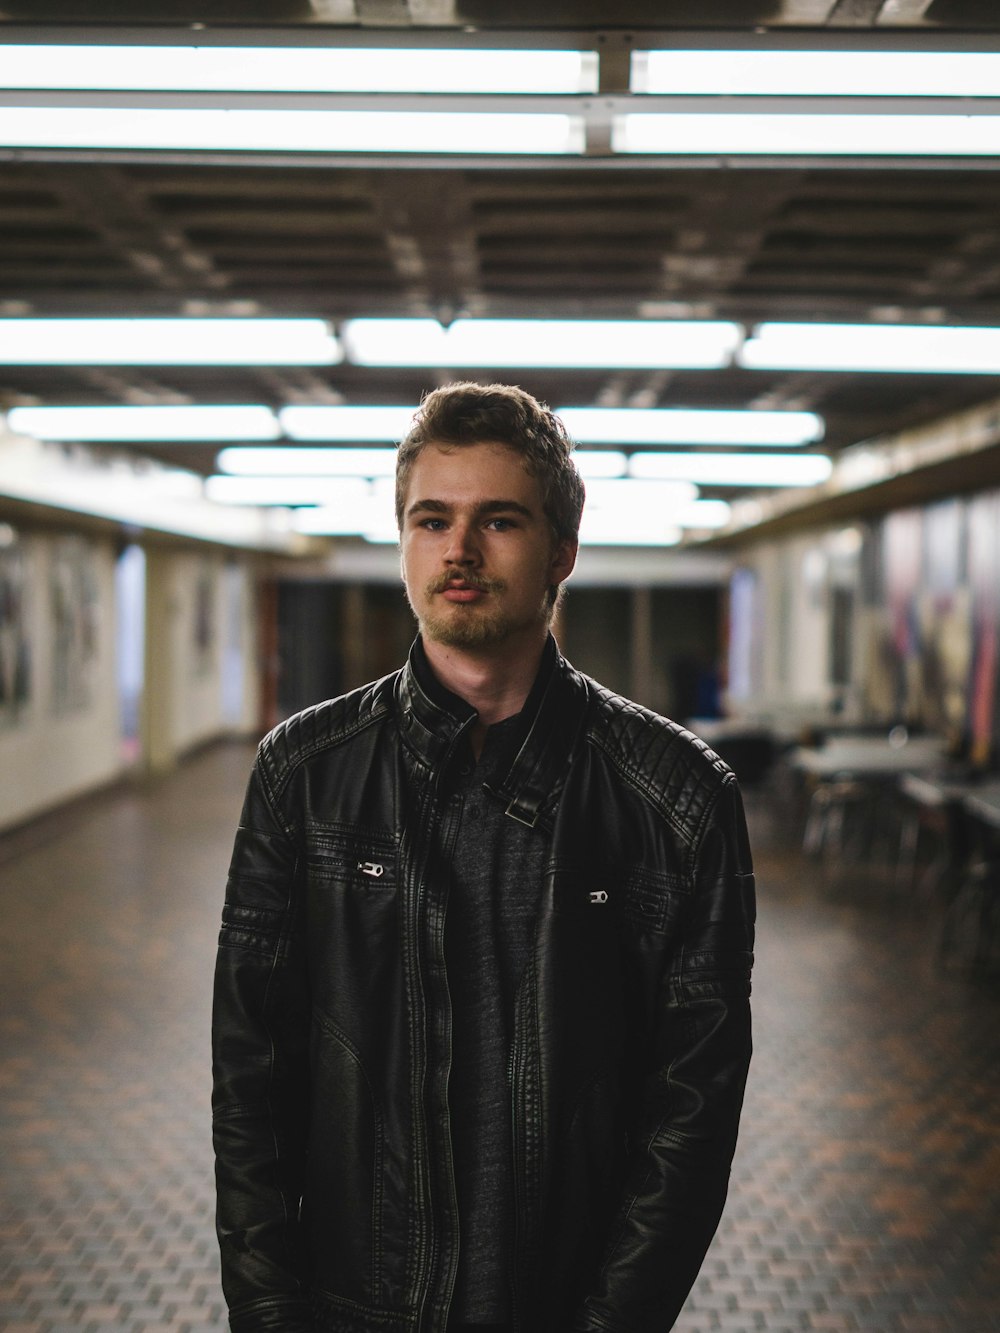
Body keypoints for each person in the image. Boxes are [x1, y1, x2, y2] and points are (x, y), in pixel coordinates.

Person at [212, 382, 756, 1333]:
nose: (458, 550)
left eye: (497, 520)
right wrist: (269, 1314)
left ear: (563, 551)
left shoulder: (676, 802)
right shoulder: (302, 775)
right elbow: (247, 1079)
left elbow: (692, 1112)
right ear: (404, 541)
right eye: (432, 519)